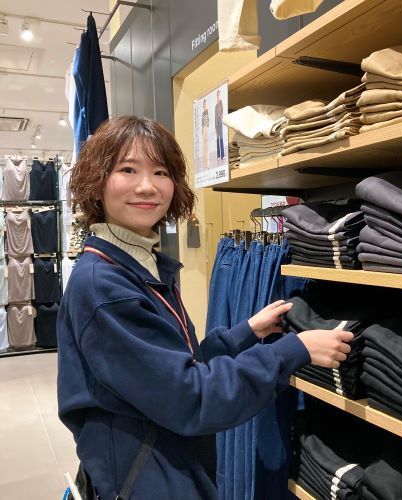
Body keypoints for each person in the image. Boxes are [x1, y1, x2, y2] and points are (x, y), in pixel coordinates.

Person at [57, 116, 354, 500]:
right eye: (127, 170)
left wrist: (244, 333)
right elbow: (190, 398)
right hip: (146, 480)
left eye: (160, 172)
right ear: (97, 181)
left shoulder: (140, 263)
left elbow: (172, 365)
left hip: (160, 463)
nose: (147, 186)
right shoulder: (105, 285)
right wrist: (292, 350)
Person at [214, 90, 224, 161]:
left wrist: (222, 117)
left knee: (221, 138)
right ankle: (218, 155)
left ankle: (222, 155)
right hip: (217, 122)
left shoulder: (221, 103)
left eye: (219, 94)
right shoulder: (215, 106)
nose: (218, 96)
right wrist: (215, 126)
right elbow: (215, 117)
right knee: (217, 139)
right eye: (217, 95)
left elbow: (222, 112)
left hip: (220, 120)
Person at [201, 98, 209, 166]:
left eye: (204, 103)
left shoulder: (206, 111)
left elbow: (207, 121)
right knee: (204, 145)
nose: (204, 105)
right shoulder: (203, 112)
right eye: (203, 104)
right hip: (203, 128)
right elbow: (202, 122)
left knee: (206, 145)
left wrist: (206, 127)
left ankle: (207, 161)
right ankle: (204, 162)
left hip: (206, 128)